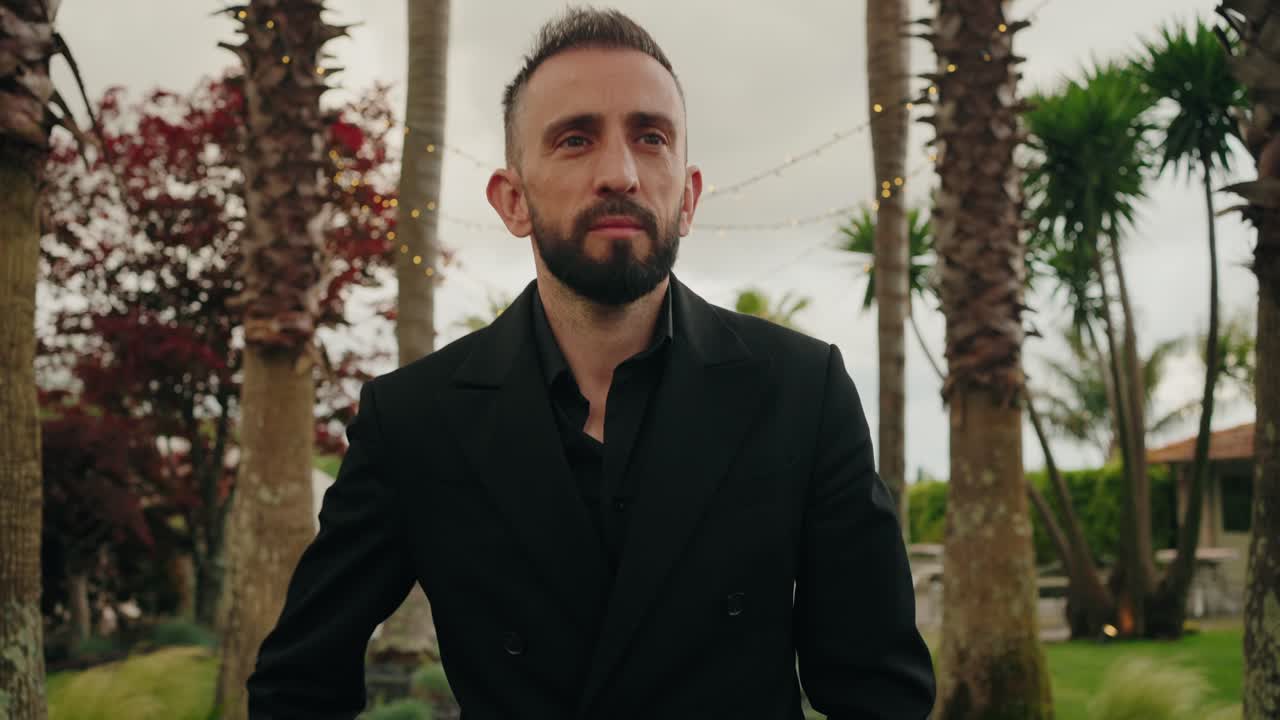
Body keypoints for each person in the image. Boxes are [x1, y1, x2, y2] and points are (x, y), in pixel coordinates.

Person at [247, 7, 935, 719]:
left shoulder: (801, 392)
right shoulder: (415, 419)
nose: (620, 172)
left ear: (689, 196)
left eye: (651, 137)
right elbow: (296, 685)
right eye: (576, 139)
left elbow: (878, 690)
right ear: (513, 201)